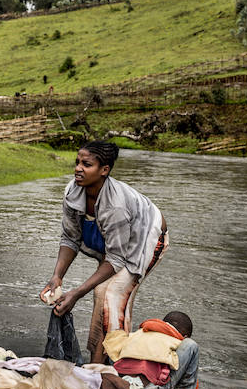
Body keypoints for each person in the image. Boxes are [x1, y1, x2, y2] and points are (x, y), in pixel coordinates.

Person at [40, 141, 168, 364]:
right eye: (77, 162)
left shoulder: (115, 205)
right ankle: (98, 359)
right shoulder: (73, 191)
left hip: (146, 239)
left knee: (112, 294)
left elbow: (117, 258)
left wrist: (77, 293)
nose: (78, 168)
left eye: (86, 164)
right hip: (112, 242)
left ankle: (112, 364)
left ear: (104, 170)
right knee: (103, 293)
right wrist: (57, 276)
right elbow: (70, 238)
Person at [106, 310, 199, 389]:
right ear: (184, 336)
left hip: (119, 385)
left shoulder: (140, 333)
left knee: (118, 343)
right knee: (191, 346)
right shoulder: (178, 341)